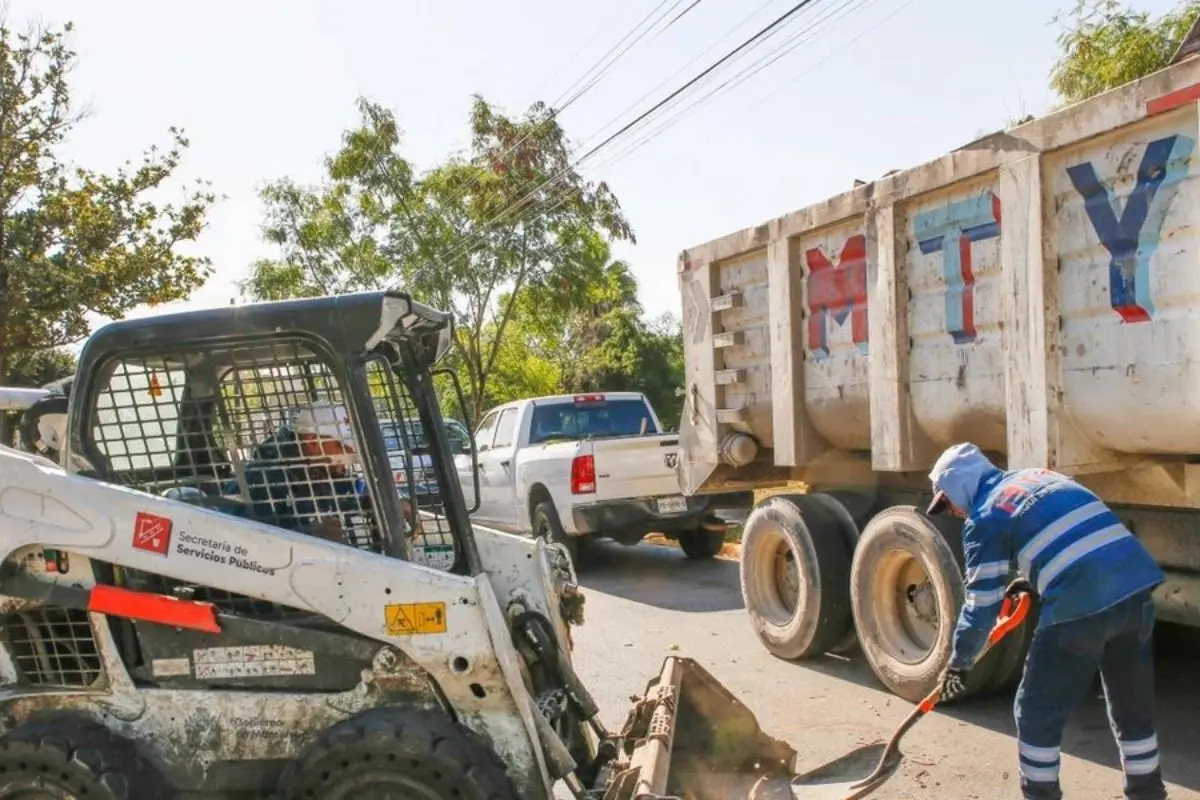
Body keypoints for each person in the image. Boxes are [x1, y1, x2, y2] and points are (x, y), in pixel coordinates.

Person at [926, 442, 1167, 800]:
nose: (953, 512)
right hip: (1135, 591)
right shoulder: (1040, 477)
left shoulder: (985, 517)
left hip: (1080, 605)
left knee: (1035, 713)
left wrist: (960, 664)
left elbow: (981, 604)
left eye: (947, 502)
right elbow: (1074, 535)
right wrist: (1037, 576)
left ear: (959, 485)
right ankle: (1148, 794)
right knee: (1130, 705)